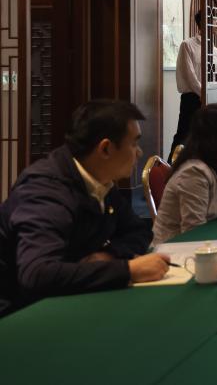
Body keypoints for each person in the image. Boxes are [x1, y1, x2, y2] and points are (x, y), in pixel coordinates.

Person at [0, 100, 170, 317]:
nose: (139, 152)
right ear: (106, 148)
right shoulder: (46, 192)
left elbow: (138, 230)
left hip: (66, 297)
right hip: (17, 312)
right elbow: (37, 274)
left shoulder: (101, 179)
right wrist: (128, 270)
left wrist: (109, 255)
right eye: (134, 143)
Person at [152, 104, 217, 245]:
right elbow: (193, 232)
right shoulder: (194, 172)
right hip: (173, 249)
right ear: (216, 134)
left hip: (208, 241)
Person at [169, 12, 217, 160]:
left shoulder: (215, 50)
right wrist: (203, 94)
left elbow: (215, 77)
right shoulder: (187, 45)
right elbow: (190, 76)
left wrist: (211, 96)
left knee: (207, 138)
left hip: (209, 99)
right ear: (204, 23)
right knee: (184, 136)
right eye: (216, 21)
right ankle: (171, 169)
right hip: (192, 99)